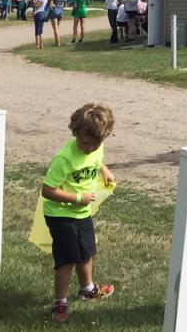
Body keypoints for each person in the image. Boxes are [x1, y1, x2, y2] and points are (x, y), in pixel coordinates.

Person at [40, 103, 117, 323]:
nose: (89, 148)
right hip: (61, 214)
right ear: (75, 133)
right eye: (85, 143)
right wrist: (77, 198)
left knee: (86, 252)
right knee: (66, 260)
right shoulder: (64, 158)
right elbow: (47, 191)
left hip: (82, 212)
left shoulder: (95, 147)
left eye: (96, 144)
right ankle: (60, 303)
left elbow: (95, 158)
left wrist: (104, 170)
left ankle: (88, 289)